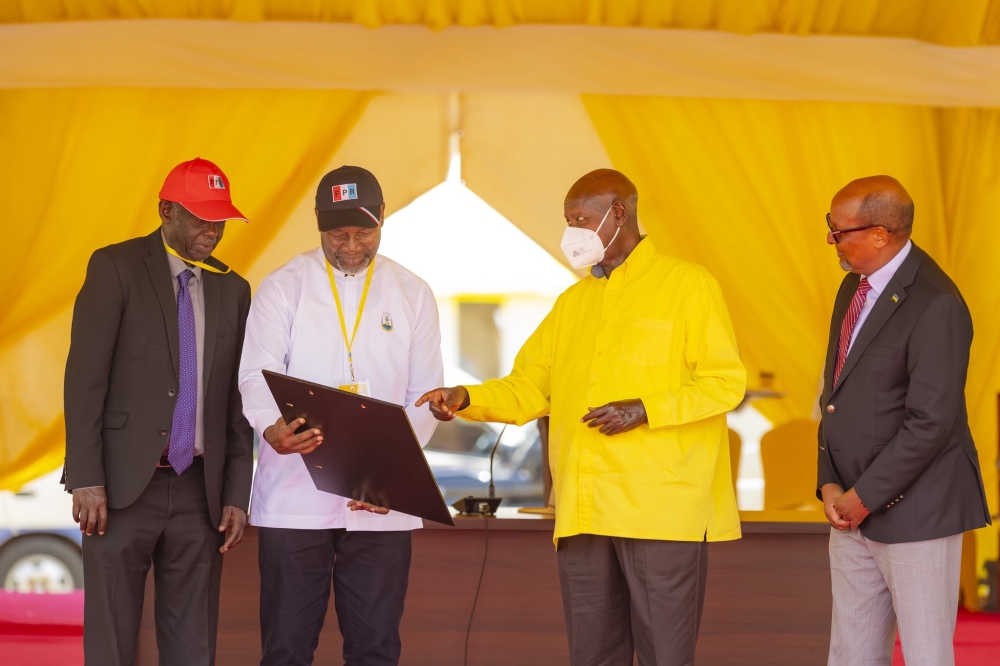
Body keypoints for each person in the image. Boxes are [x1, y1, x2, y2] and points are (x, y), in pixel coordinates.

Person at [417, 169, 746, 666]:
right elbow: (529, 387)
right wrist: (466, 396)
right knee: (592, 655)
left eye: (581, 219)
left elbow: (725, 383)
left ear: (619, 213)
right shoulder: (572, 303)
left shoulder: (688, 285)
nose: (571, 231)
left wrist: (646, 409)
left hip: (659, 510)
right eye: (567, 220)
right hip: (585, 508)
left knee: (666, 656)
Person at [238, 165, 443, 666]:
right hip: (293, 495)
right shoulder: (283, 287)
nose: (352, 245)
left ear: (383, 220)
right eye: (338, 233)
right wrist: (272, 428)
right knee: (286, 648)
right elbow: (254, 376)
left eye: (364, 231)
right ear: (318, 224)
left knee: (375, 649)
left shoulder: (412, 292)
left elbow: (424, 395)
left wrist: (387, 478)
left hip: (379, 504)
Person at [63, 157, 255, 666]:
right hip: (119, 491)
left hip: (200, 494)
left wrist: (237, 492)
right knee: (111, 642)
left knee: (194, 646)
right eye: (200, 218)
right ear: (166, 210)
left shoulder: (233, 289)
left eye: (220, 221)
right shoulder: (115, 267)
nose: (212, 232)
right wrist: (85, 476)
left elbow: (235, 402)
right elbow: (84, 380)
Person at [817, 175, 991, 666]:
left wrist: (862, 497)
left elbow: (930, 422)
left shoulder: (937, 302)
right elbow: (834, 395)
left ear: (879, 234)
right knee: (850, 653)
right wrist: (830, 484)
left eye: (838, 230)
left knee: (925, 655)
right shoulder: (852, 286)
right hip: (849, 510)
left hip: (918, 511)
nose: (831, 240)